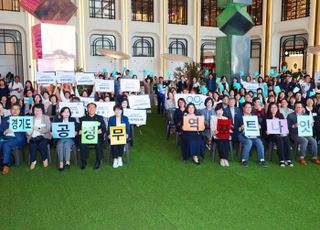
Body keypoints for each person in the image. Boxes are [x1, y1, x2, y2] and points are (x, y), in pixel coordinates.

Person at [234, 102, 267, 167]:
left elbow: (257, 126)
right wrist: (240, 127)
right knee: (248, 142)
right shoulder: (238, 116)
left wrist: (259, 126)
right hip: (242, 134)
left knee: (259, 142)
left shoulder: (254, 116)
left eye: (250, 107)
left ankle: (261, 159)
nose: (248, 109)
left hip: (252, 134)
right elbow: (235, 128)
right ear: (243, 108)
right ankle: (244, 160)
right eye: (247, 107)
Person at [262, 102, 293, 167]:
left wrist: (286, 130)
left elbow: (284, 126)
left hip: (280, 133)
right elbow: (263, 128)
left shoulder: (280, 115)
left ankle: (288, 159)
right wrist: (266, 131)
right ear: (269, 108)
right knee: (279, 138)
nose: (273, 109)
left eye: (275, 107)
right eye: (272, 107)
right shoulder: (266, 117)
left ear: (277, 108)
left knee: (286, 138)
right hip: (270, 135)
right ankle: (281, 159)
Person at [0, 104, 26, 174]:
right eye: (13, 109)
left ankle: (5, 165)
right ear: (10, 111)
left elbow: (24, 132)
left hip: (17, 139)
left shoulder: (23, 120)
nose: (15, 111)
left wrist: (13, 130)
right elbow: (1, 130)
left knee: (6, 145)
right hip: (5, 137)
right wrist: (4, 131)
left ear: (19, 111)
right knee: (2, 143)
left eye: (17, 109)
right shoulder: (5, 119)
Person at [79, 103, 106, 170]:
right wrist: (80, 131)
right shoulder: (83, 118)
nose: (91, 109)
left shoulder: (100, 118)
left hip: (97, 137)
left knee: (98, 143)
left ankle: (98, 161)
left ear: (95, 109)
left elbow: (104, 128)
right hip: (86, 137)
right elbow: (78, 129)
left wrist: (101, 130)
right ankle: (83, 161)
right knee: (82, 144)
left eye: (93, 107)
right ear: (87, 109)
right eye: (90, 107)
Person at [26, 104, 51, 170]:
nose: (37, 112)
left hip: (44, 136)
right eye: (35, 110)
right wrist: (28, 132)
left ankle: (44, 159)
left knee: (42, 143)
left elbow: (48, 129)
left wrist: (37, 128)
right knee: (32, 144)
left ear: (42, 111)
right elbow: (27, 130)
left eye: (39, 110)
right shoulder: (31, 119)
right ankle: (33, 161)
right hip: (33, 136)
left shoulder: (46, 117)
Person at [54, 107, 79, 171]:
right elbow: (54, 130)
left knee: (66, 144)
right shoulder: (58, 121)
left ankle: (67, 162)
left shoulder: (72, 120)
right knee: (60, 145)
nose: (66, 113)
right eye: (64, 112)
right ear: (61, 113)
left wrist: (76, 132)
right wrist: (53, 133)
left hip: (70, 139)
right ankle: (61, 163)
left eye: (68, 112)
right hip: (60, 139)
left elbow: (77, 129)